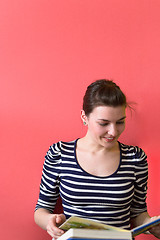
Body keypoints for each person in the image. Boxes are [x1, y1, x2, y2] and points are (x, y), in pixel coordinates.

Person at [34, 79, 160, 239]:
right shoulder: (59, 153)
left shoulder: (136, 158)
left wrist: (150, 225)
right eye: (104, 123)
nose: (113, 132)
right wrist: (49, 221)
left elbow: (138, 213)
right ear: (84, 117)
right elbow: (41, 209)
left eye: (120, 122)